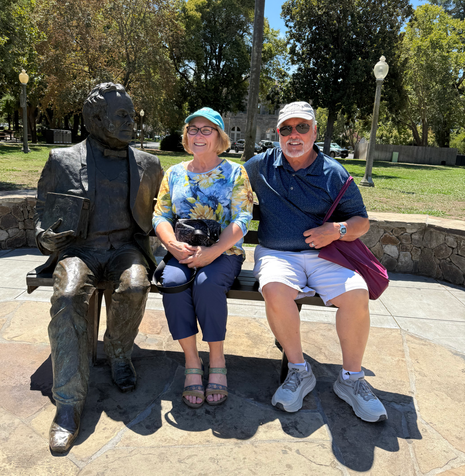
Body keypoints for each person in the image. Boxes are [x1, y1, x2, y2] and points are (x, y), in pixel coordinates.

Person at [35, 83, 163, 453]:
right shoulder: (62, 161)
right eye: (122, 115)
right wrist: (46, 238)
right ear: (96, 119)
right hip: (81, 250)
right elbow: (43, 214)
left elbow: (160, 214)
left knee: (136, 285)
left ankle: (119, 354)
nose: (131, 121)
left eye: (131, 114)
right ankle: (68, 404)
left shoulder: (149, 165)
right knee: (68, 296)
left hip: (126, 248)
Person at [244, 101, 387, 422]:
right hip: (277, 254)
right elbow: (226, 182)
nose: (293, 135)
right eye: (286, 129)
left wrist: (336, 230)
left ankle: (351, 379)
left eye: (302, 127)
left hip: (325, 255)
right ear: (277, 133)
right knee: (274, 288)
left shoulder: (333, 172)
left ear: (315, 131)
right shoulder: (259, 166)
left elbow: (361, 222)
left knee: (357, 293)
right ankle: (299, 370)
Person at [153, 107, 253, 408]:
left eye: (206, 130)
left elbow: (243, 218)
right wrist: (171, 244)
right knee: (172, 282)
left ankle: (218, 360)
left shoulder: (235, 172)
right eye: (193, 129)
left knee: (207, 284)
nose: (198, 135)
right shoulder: (174, 173)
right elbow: (160, 215)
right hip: (182, 251)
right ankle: (192, 361)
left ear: (219, 137)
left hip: (224, 252)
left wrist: (213, 251)